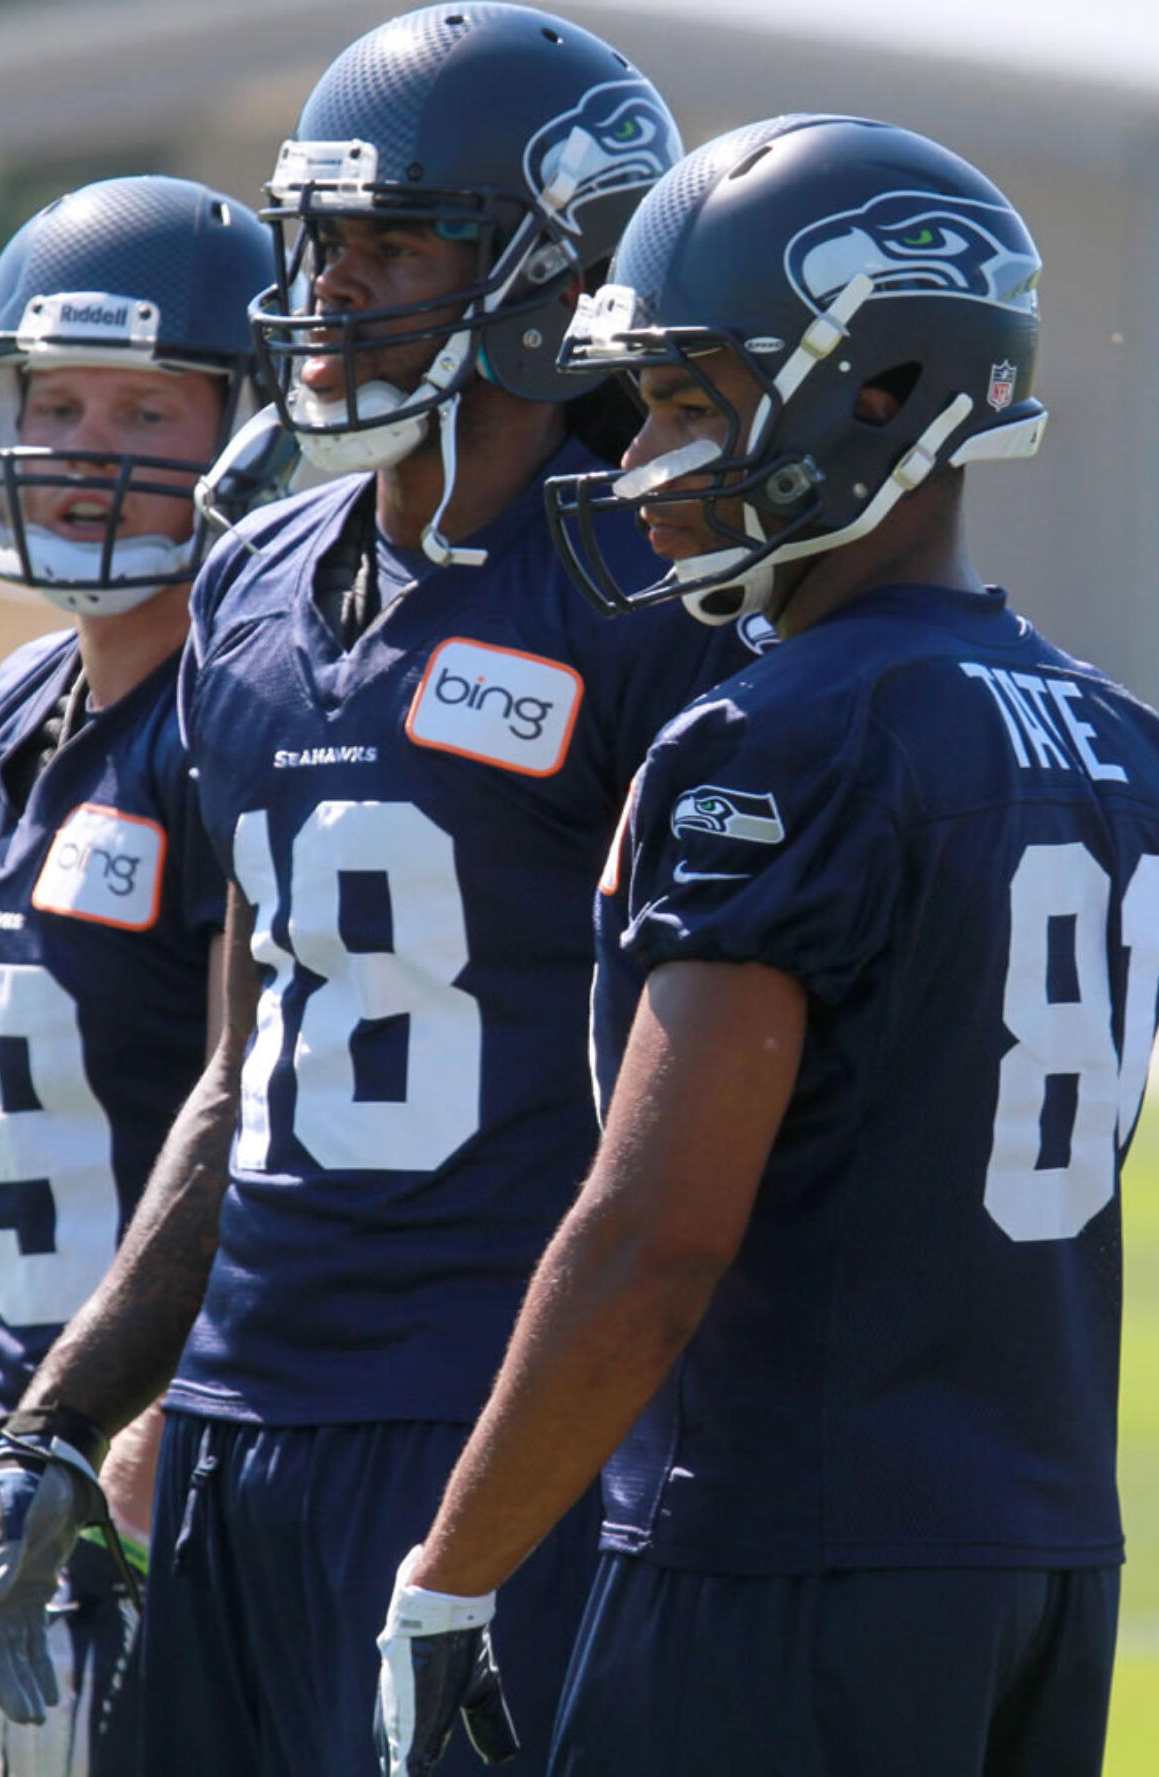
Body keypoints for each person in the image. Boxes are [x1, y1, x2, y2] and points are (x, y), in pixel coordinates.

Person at [0, 8, 754, 1775]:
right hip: (240, 1416)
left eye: (393, 244)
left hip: (499, 1415)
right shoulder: (253, 590)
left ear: (558, 268)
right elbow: (241, 1078)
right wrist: (68, 1413)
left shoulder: (658, 585)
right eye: (320, 237)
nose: (330, 288)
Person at [370, 115, 1159, 1777]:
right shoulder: (1108, 734)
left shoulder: (782, 734)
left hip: (791, 1551)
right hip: (1043, 1556)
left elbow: (654, 1234)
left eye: (685, 401)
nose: (641, 459)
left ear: (878, 393)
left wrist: (451, 1576)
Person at [0, 173, 279, 1775]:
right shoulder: (13, 704)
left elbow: (275, 1130)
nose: (84, 447)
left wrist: (120, 1443)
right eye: (55, 398)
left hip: (148, 1464)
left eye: (147, 405)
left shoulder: (251, 717)